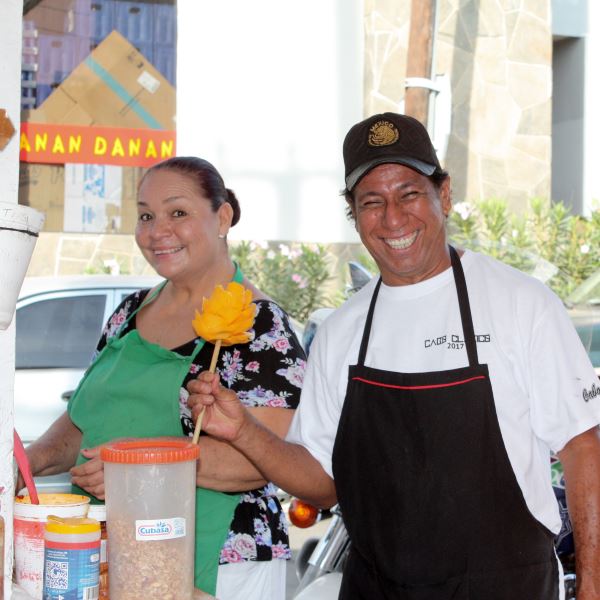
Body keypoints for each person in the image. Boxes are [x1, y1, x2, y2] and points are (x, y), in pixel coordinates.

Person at [188, 113, 600, 599]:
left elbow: (583, 449)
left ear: (443, 196)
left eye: (409, 194)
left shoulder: (521, 304)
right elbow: (321, 485)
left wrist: (591, 587)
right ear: (354, 215)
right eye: (372, 202)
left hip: (505, 587)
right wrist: (243, 432)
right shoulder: (343, 332)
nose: (393, 218)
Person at [21, 156, 306, 599]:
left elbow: (260, 462)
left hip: (219, 561)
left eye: (178, 213)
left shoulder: (260, 325)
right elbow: (82, 424)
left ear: (223, 217)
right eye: (146, 216)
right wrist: (24, 463)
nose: (157, 231)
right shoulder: (128, 313)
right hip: (120, 553)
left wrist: (130, 473)